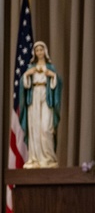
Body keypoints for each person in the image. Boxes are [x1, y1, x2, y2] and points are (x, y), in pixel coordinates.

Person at [19, 40, 62, 168]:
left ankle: (48, 158)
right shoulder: (30, 68)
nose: (39, 52)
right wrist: (26, 75)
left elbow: (58, 83)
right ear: (34, 52)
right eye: (37, 50)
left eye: (41, 50)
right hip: (34, 98)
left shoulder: (50, 68)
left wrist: (53, 76)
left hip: (46, 97)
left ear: (45, 51)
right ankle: (35, 158)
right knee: (35, 128)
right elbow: (24, 85)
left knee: (45, 128)